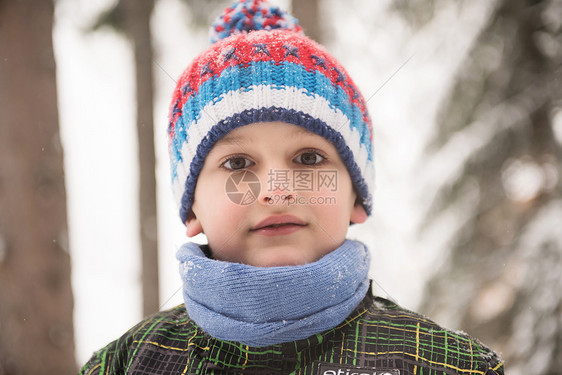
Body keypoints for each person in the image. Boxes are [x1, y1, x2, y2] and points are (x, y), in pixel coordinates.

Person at [79, 0, 504, 374]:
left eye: (308, 158)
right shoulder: (125, 363)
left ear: (356, 195)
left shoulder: (448, 365)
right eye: (238, 163)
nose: (276, 190)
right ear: (191, 208)